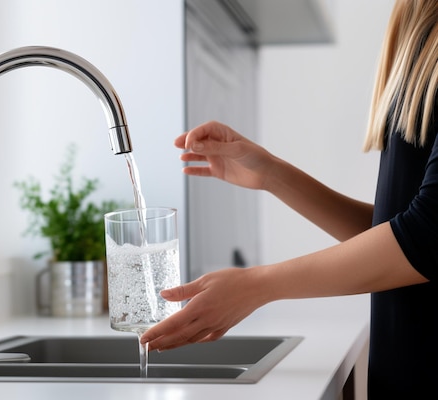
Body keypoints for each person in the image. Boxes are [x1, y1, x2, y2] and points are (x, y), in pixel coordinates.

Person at [139, 0, 438, 397]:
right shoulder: (420, 21)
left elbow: (428, 237)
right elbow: (399, 232)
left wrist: (255, 286)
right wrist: (273, 176)